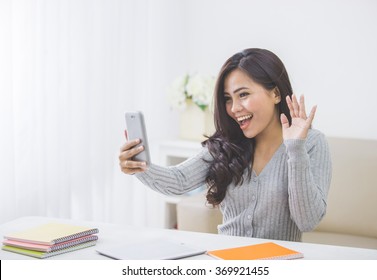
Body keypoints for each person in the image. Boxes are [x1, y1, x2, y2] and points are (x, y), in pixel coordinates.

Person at [119, 48, 332, 242]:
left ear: (275, 94)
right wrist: (139, 165)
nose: (234, 108)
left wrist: (295, 149)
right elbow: (179, 181)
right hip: (227, 262)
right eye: (228, 98)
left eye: (244, 95)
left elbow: (307, 221)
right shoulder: (227, 143)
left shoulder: (312, 144)